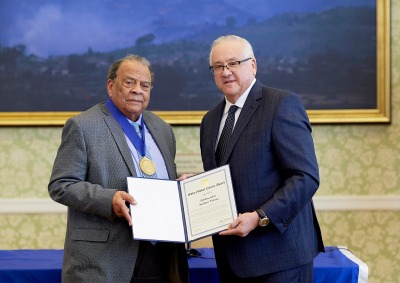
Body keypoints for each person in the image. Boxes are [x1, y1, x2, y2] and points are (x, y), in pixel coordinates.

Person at [48, 54, 188, 283]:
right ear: (111, 86)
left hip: (160, 256)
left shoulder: (162, 129)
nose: (137, 90)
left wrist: (182, 188)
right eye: (129, 82)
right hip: (106, 261)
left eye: (145, 85)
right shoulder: (83, 126)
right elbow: (61, 185)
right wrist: (109, 199)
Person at [200, 35, 324, 282]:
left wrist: (260, 217)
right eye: (218, 66)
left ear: (253, 65)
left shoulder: (281, 104)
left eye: (234, 63)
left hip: (280, 259)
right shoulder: (210, 120)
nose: (225, 72)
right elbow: (226, 175)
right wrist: (197, 184)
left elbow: (305, 177)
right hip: (231, 259)